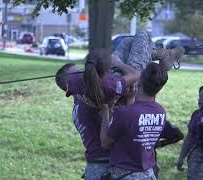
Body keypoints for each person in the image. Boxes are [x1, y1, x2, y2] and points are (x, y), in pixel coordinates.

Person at [56, 48, 140, 180]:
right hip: (107, 167)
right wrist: (119, 64)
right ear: (70, 86)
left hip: (94, 166)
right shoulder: (94, 99)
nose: (84, 74)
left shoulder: (79, 106)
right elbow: (135, 75)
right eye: (78, 73)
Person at [100, 62, 174, 179]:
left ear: (139, 82)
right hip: (148, 174)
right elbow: (139, 129)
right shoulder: (161, 112)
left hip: (125, 174)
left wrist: (105, 112)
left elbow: (105, 143)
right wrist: (130, 99)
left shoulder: (124, 113)